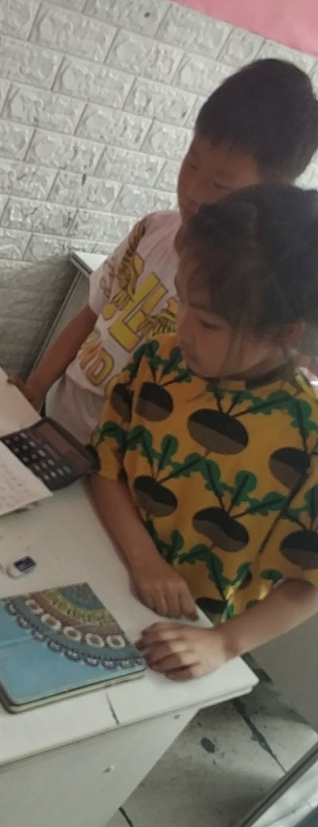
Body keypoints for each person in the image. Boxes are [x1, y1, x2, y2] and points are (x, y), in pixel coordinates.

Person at [11, 60, 318, 444]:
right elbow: (92, 312)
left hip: (126, 455)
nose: (192, 191)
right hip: (60, 416)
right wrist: (38, 386)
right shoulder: (151, 230)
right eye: (191, 162)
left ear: (272, 192)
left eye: (220, 184)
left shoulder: (248, 291)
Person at [89, 184, 318, 681]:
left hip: (189, 629)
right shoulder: (157, 362)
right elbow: (105, 469)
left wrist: (224, 643)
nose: (183, 329)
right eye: (183, 303)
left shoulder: (309, 437)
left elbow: (307, 583)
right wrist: (145, 561)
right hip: (102, 558)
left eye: (209, 323)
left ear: (284, 332)